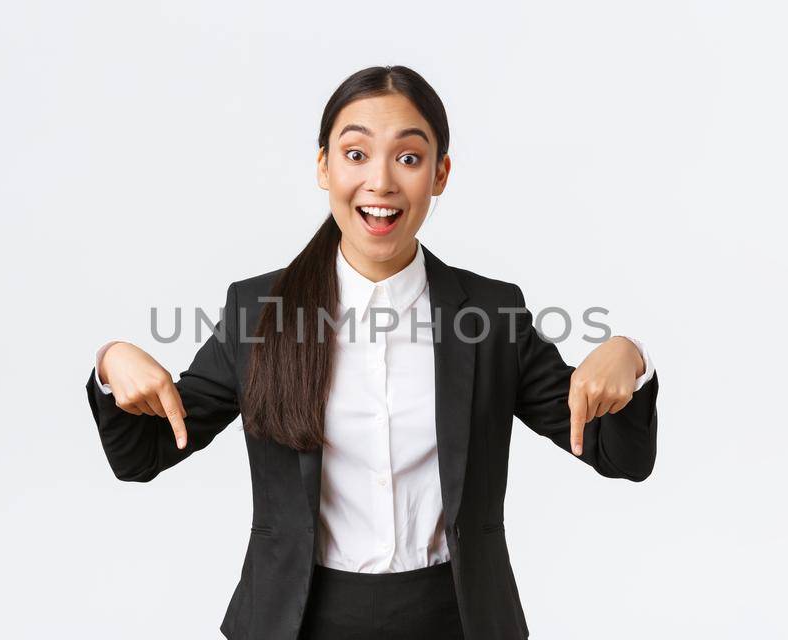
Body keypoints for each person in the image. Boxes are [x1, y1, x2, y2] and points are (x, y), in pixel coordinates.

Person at [85, 65, 660, 640]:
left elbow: (618, 456)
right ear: (323, 167)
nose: (380, 182)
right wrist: (111, 362)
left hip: (455, 620)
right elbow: (145, 454)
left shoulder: (492, 316)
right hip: (298, 621)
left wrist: (630, 355)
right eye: (356, 154)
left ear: (440, 175)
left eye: (408, 159)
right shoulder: (258, 312)